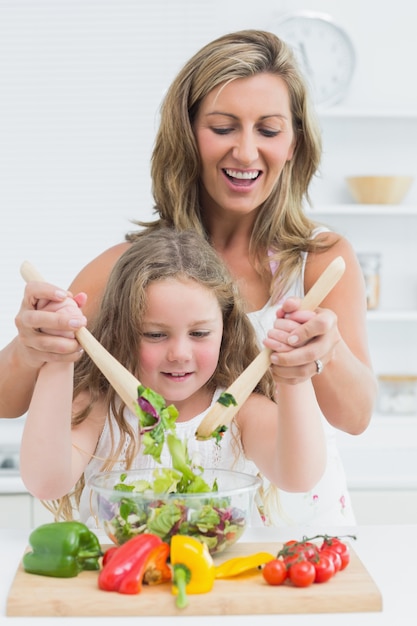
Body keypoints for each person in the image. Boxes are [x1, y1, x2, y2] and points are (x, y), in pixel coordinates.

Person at [3, 29, 377, 524]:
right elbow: (11, 403)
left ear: (294, 143)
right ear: (187, 132)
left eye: (268, 130)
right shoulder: (125, 269)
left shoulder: (323, 261)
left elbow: (355, 417)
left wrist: (321, 353)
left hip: (305, 536)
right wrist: (34, 348)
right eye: (223, 127)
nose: (246, 152)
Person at [19, 228, 326, 527]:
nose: (179, 353)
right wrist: (57, 358)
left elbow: (299, 476)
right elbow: (46, 482)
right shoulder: (100, 407)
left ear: (226, 329)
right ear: (121, 330)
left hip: (217, 577)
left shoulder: (241, 410)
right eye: (155, 334)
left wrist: (294, 378)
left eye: (199, 333)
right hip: (119, 575)